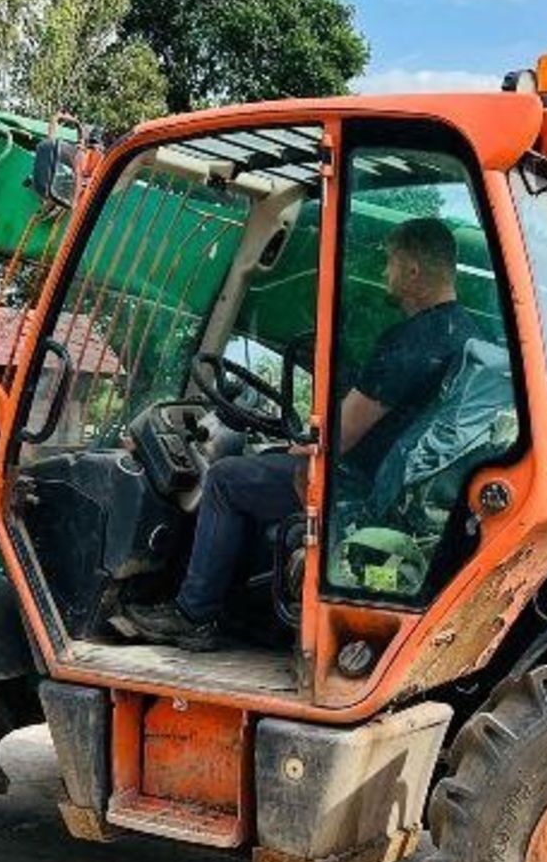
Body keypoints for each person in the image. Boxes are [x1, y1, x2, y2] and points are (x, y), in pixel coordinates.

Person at [120, 216, 477, 650]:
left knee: (226, 479)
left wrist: (308, 443)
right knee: (265, 460)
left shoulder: (412, 341)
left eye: (390, 263)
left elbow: (341, 435)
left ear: (413, 271)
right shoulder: (468, 335)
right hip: (401, 488)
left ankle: (194, 614)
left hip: (356, 487)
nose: (386, 273)